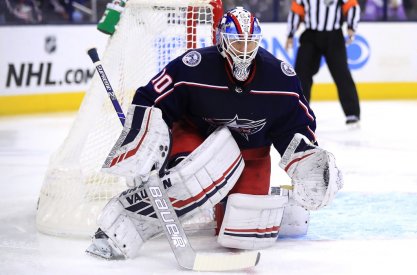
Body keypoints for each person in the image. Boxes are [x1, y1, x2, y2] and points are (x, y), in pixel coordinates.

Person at [86, 7, 343, 260]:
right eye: (236, 43)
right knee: (188, 179)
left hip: (252, 153)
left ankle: (282, 206)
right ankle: (121, 224)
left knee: (242, 234)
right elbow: (150, 99)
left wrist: (307, 160)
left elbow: (295, 126)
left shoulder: (280, 78)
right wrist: (143, 148)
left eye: (249, 43)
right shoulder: (194, 67)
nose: (244, 51)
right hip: (196, 140)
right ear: (222, 41)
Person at [285, 0, 361, 125]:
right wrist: (290, 34)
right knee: (301, 73)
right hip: (310, 36)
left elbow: (352, 6)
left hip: (334, 36)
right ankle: (299, 111)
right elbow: (296, 10)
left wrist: (351, 26)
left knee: (341, 73)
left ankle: (352, 112)